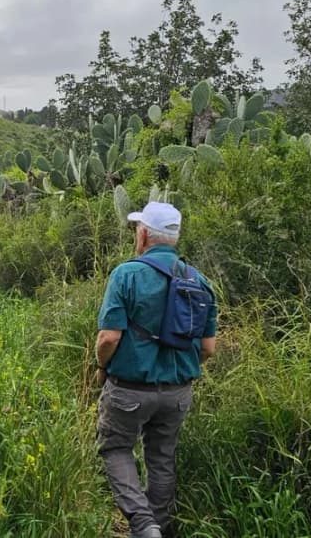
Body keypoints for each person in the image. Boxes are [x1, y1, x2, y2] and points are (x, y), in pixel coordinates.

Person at [94, 202, 218, 538]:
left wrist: (100, 367)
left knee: (116, 447)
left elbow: (108, 337)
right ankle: (158, 526)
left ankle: (143, 524)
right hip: (178, 392)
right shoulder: (200, 281)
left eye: (137, 228)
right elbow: (207, 349)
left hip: (129, 389)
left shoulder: (127, 275)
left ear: (144, 234)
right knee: (161, 458)